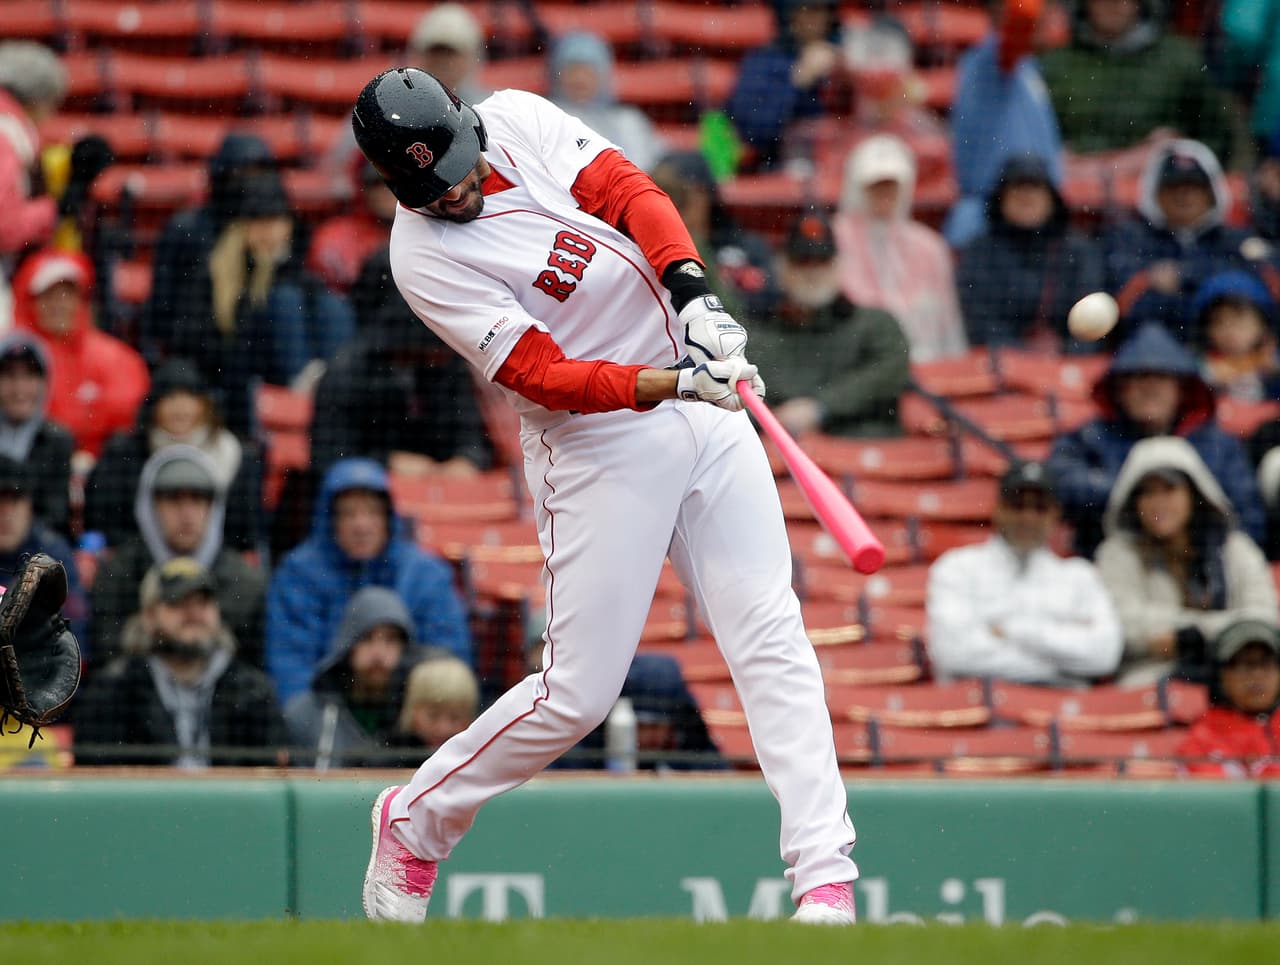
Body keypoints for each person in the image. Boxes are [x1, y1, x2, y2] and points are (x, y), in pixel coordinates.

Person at [349, 67, 858, 925]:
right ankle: (416, 818)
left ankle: (824, 877)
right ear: (401, 188)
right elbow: (540, 375)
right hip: (596, 441)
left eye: (465, 165)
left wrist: (695, 296)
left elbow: (626, 190)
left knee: (769, 631)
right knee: (579, 694)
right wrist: (670, 383)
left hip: (699, 391)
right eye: (440, 188)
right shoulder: (421, 258)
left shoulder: (513, 116)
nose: (464, 188)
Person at [1047, 321, 1266, 557]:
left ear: (1182, 389)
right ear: (1119, 388)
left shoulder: (1218, 445)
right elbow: (1058, 482)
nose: (1150, 389)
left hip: (1198, 569)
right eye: (1139, 378)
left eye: (1161, 378)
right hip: (1112, 568)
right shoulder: (1090, 436)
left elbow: (1248, 519)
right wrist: (1138, 493)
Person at [265, 457, 472, 704]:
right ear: (330, 521)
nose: (361, 525)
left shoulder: (425, 575)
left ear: (389, 519)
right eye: (349, 514)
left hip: (410, 722)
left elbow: (448, 663)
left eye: (372, 512)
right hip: (328, 720)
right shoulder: (298, 574)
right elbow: (290, 667)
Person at [1094, 436, 1277, 685]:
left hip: (1235, 677)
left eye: (1169, 489)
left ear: (1193, 492)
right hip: (1151, 680)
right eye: (1147, 493)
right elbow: (1123, 625)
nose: (1158, 503)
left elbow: (1265, 619)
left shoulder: (1234, 548)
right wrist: (1225, 629)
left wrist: (1190, 637)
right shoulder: (1116, 553)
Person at [74, 557, 286, 767]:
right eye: (177, 602)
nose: (194, 613)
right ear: (149, 616)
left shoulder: (254, 693)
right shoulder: (111, 693)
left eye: (203, 602)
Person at [927, 461, 1123, 686]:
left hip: (1063, 708)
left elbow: (1105, 655)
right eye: (1018, 506)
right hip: (982, 709)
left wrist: (1013, 631)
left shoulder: (1080, 576)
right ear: (998, 508)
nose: (1028, 518)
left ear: (1055, 515)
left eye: (1040, 508)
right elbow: (954, 653)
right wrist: (1059, 668)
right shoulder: (958, 567)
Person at [309, 250, 491, 478]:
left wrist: (467, 459)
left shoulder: (447, 366)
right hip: (372, 497)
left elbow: (472, 436)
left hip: (440, 494)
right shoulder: (348, 371)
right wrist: (386, 463)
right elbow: (327, 457)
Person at [89, 445, 266, 668]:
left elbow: (255, 674)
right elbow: (104, 661)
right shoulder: (118, 574)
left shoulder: (244, 583)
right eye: (173, 499)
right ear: (150, 506)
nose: (187, 513)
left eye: (198, 499)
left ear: (214, 508)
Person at [745, 208, 909, 438]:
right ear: (781, 268)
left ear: (838, 266)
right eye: (802, 261)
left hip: (860, 450)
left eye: (822, 261)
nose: (813, 271)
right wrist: (772, 418)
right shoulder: (755, 331)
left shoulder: (874, 324)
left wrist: (821, 407)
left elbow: (890, 372)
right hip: (775, 454)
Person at [84, 357, 263, 552]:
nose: (180, 408)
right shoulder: (123, 453)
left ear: (205, 405)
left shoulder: (235, 454)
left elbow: (245, 535)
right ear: (153, 406)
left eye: (189, 397)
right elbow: (104, 521)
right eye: (170, 397)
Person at [1038, 0, 1236, 164]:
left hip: (1161, 199)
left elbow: (1217, 142)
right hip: (1072, 193)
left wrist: (1177, 150)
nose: (1112, 4)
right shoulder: (1052, 65)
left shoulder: (1180, 61)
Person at [1104, 140, 1268, 338]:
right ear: (1155, 192)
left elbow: (1258, 296)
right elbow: (1125, 308)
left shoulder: (1236, 240)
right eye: (1173, 186)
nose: (1184, 196)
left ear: (1212, 192)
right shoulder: (1130, 239)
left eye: (1194, 186)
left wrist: (1185, 275)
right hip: (1150, 354)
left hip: (1225, 354)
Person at [142, 133, 279, 367]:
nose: (251, 182)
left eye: (259, 173)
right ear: (223, 173)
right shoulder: (186, 228)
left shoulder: (274, 228)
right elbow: (161, 308)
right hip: (195, 353)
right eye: (243, 172)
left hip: (254, 355)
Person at [833, 134, 968, 362]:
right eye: (875, 186)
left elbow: (948, 324)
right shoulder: (835, 239)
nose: (884, 195)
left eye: (892, 186)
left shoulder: (929, 246)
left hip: (925, 363)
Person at [944, 0, 1064, 248]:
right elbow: (1023, 12)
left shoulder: (1027, 66)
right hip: (987, 223)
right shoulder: (992, 58)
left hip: (1029, 216)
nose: (1048, 20)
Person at [956, 154, 1106, 352]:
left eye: (1035, 187)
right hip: (1001, 364)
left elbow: (1093, 318)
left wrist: (1064, 352)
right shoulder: (979, 251)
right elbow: (978, 321)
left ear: (1052, 199)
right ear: (1001, 198)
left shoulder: (1079, 251)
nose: (1026, 196)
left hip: (1067, 364)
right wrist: (1023, 356)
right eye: (1017, 187)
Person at [9, 248, 149, 458]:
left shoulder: (114, 356)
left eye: (67, 295)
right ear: (30, 301)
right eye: (48, 296)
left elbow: (129, 408)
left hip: (99, 466)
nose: (59, 305)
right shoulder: (11, 353)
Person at [285, 586, 438, 768]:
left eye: (390, 640)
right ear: (348, 644)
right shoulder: (305, 714)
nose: (379, 653)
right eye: (367, 638)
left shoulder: (422, 714)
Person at [648, 152, 780, 319]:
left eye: (680, 196)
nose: (673, 206)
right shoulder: (643, 251)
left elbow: (759, 309)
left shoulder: (746, 249)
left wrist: (693, 243)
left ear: (705, 195)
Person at [724, 0, 844, 171]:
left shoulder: (846, 57)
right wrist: (798, 82)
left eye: (823, 11)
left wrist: (847, 75)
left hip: (840, 163)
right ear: (790, 16)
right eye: (809, 10)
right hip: (781, 165)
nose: (819, 19)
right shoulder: (763, 62)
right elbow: (753, 132)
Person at [548, 32, 666, 173]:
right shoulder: (548, 118)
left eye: (588, 71)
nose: (580, 79)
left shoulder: (629, 120)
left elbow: (654, 164)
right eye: (572, 70)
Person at [1176, 617, 1280, 777]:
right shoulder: (1202, 737)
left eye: (1266, 663)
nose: (1257, 674)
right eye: (1246, 664)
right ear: (1221, 675)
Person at [0, 455, 86, 646]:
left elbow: (75, 630)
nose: (5, 514)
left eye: (14, 501)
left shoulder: (53, 553)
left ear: (29, 507)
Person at [0, 334, 72, 537]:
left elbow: (56, 517)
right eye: (9, 376)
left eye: (29, 377)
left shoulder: (58, 441)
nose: (19, 389)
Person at [1189, 270, 1280, 402]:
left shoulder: (1273, 364)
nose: (1230, 331)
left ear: (1262, 325)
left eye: (1240, 321)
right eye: (1219, 322)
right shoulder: (1198, 369)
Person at [389, 655, 481, 760]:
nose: (443, 729)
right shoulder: (389, 760)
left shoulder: (480, 761)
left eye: (455, 717)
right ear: (412, 711)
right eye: (433, 716)